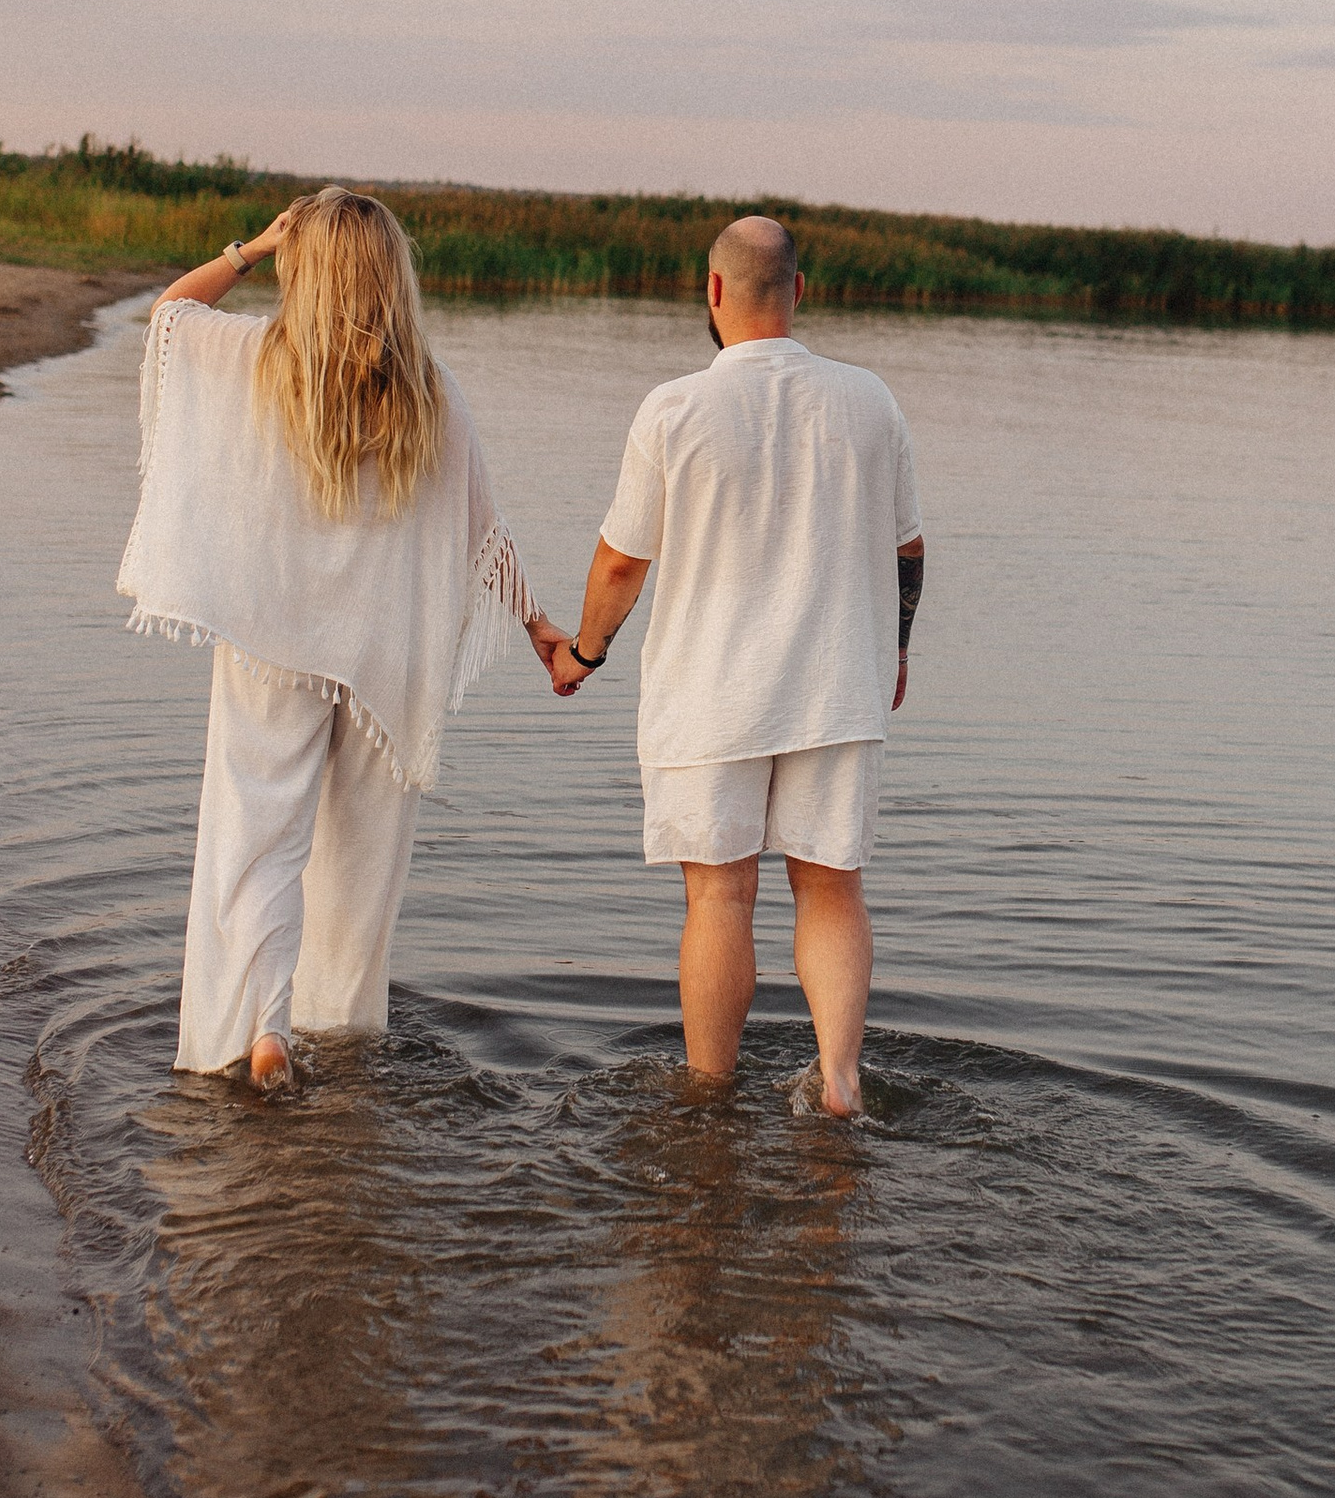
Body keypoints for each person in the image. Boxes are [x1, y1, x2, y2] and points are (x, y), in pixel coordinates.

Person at [119, 187, 560, 1087]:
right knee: (361, 873)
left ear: (303, 269)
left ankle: (257, 1030)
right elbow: (484, 531)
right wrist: (539, 625)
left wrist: (251, 247)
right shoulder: (430, 395)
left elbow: (169, 315)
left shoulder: (255, 361)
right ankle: (342, 1044)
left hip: (275, 641)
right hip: (387, 656)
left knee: (254, 844)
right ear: (394, 278)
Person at [547, 215, 925, 1117]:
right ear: (800, 290)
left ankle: (709, 1104)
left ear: (712, 292)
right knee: (832, 886)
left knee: (720, 895)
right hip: (840, 687)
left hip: (709, 698)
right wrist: (898, 648)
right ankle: (838, 1080)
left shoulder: (675, 408)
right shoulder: (870, 400)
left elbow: (620, 563)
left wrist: (584, 652)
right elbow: (907, 548)